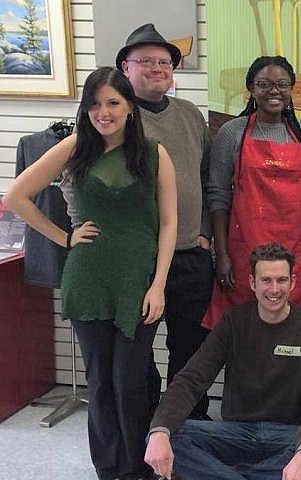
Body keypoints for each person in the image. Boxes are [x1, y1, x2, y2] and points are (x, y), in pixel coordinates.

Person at [3, 66, 177, 480]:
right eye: (95, 103)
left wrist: (159, 285)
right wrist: (64, 238)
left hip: (139, 280)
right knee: (100, 382)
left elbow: (169, 223)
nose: (104, 112)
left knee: (131, 381)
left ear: (130, 108)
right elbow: (15, 196)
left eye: (113, 102)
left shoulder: (154, 153)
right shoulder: (75, 146)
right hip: (89, 276)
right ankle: (111, 469)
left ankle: (141, 466)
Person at [144, 243, 301, 480]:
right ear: (253, 283)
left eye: (281, 280)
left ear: (293, 282)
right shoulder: (233, 322)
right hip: (235, 433)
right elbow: (191, 379)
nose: (274, 289)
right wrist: (160, 431)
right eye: (266, 280)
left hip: (287, 435)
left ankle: (224, 475)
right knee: (160, 435)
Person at [117, 23, 215, 419]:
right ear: (126, 67)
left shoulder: (191, 115)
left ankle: (188, 419)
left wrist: (207, 233)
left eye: (165, 61)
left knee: (191, 347)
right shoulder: (116, 118)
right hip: (140, 257)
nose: (157, 68)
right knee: (137, 348)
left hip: (190, 253)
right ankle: (148, 419)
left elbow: (208, 178)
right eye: (146, 61)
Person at [203, 56, 301, 329]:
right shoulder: (232, 133)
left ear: (291, 89)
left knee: (291, 333)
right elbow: (218, 195)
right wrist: (222, 254)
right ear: (251, 89)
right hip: (245, 253)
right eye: (264, 84)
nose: (274, 91)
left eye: (282, 85)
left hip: (296, 252)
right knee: (244, 334)